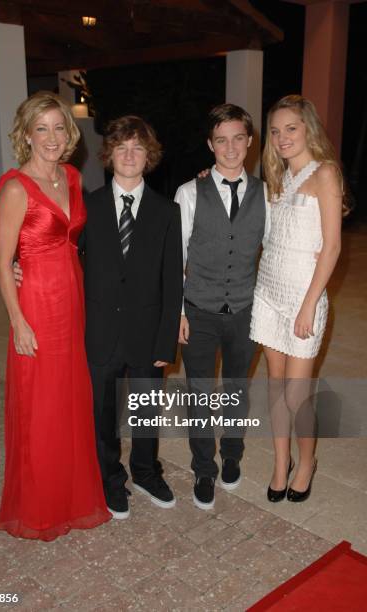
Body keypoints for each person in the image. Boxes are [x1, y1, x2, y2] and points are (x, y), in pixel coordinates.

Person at [0, 91, 111, 540]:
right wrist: (18, 321)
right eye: (41, 128)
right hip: (37, 306)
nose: (52, 136)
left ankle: (74, 494)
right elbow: (4, 262)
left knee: (69, 399)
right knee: (41, 405)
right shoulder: (14, 187)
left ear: (70, 133)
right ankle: (41, 506)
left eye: (59, 127)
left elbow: (73, 237)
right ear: (26, 134)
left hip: (72, 296)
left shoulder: (72, 176)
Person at [82, 116, 183, 518]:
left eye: (137, 148)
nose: (128, 155)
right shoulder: (87, 207)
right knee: (102, 413)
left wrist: (165, 342)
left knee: (145, 409)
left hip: (146, 333)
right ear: (109, 154)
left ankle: (145, 470)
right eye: (121, 147)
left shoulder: (166, 211)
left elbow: (172, 280)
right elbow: (63, 258)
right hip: (100, 333)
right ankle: (109, 478)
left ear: (149, 156)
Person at [250, 94, 343, 502]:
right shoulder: (276, 179)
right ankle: (279, 462)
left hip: (303, 298)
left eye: (291, 128)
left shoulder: (325, 174)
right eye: (275, 131)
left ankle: (307, 463)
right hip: (268, 292)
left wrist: (309, 304)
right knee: (275, 388)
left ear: (308, 129)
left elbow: (333, 248)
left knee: (296, 393)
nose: (283, 137)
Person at [176, 104, 268, 510]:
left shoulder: (269, 194)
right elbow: (175, 258)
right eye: (221, 140)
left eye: (237, 138)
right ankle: (203, 467)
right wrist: (177, 311)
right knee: (199, 392)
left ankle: (232, 452)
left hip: (247, 309)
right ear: (210, 145)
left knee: (236, 387)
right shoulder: (189, 191)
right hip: (198, 308)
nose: (230, 147)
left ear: (249, 142)